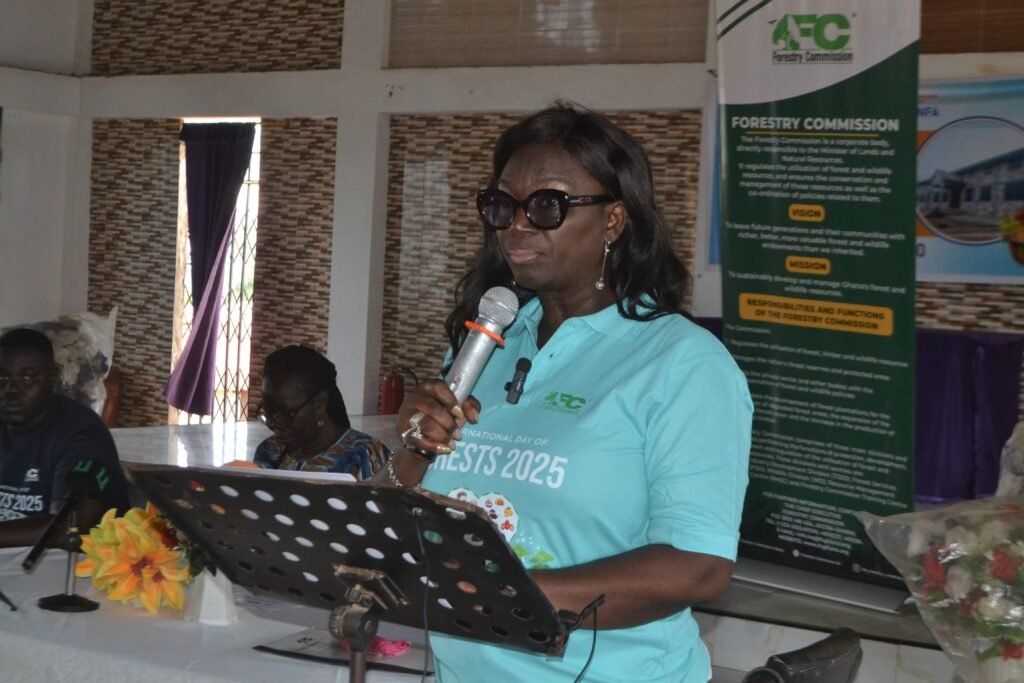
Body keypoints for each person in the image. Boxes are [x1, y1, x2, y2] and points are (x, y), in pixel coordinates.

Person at [377, 103, 753, 682]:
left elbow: (698, 567)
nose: (517, 226)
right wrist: (414, 447)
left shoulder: (682, 364)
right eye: (502, 205)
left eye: (547, 206)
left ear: (613, 220)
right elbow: (404, 506)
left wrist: (512, 595)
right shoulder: (486, 344)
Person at [0, 328, 130, 548]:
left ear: (53, 379)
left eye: (28, 378)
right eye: (2, 377)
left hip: (74, 570)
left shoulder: (80, 432)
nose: (12, 390)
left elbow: (71, 524)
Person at [254, 345, 390, 479]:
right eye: (268, 411)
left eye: (286, 414)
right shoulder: (269, 451)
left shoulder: (366, 456)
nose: (274, 424)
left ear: (319, 403)